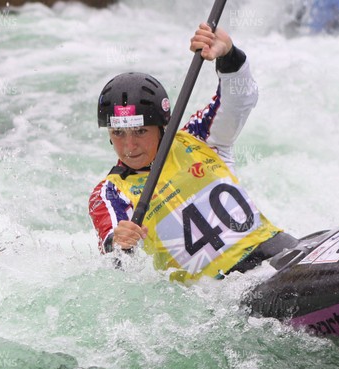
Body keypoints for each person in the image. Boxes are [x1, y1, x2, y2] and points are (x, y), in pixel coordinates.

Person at [89, 23, 297, 282]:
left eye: (141, 132)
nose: (129, 147)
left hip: (279, 251)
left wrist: (228, 54)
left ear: (162, 127)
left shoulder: (200, 137)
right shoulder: (111, 192)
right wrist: (117, 241)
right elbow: (112, 248)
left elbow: (239, 100)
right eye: (118, 134)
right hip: (225, 291)